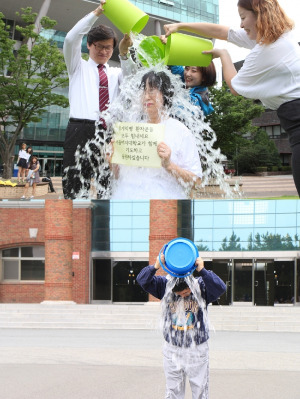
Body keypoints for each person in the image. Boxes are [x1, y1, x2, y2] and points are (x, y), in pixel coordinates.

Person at [163, 0, 300, 196]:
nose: (241, 24)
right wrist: (181, 26)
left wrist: (224, 55)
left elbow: (234, 86)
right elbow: (222, 32)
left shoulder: (267, 51)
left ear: (260, 15)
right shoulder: (276, 38)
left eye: (243, 18)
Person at [62, 0, 135, 199]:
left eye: (109, 48)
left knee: (108, 188)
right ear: (89, 45)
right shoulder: (77, 67)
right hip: (80, 130)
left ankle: (102, 228)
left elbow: (131, 81)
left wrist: (123, 53)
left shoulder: (115, 73)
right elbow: (70, 39)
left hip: (109, 132)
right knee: (75, 187)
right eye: (99, 46)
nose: (104, 51)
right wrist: (95, 13)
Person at [137, 253, 226, 399]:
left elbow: (220, 287)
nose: (184, 295)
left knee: (200, 391)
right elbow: (142, 280)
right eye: (180, 293)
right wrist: (156, 265)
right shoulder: (164, 286)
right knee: (173, 392)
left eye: (187, 292)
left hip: (197, 347)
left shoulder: (201, 287)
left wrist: (203, 271)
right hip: (172, 348)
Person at [108, 70, 203, 199]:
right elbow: (118, 176)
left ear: (165, 94)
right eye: (143, 91)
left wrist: (169, 165)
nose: (146, 96)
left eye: (152, 90)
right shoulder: (131, 129)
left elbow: (196, 182)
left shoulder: (180, 131)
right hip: (127, 202)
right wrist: (112, 161)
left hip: (163, 206)